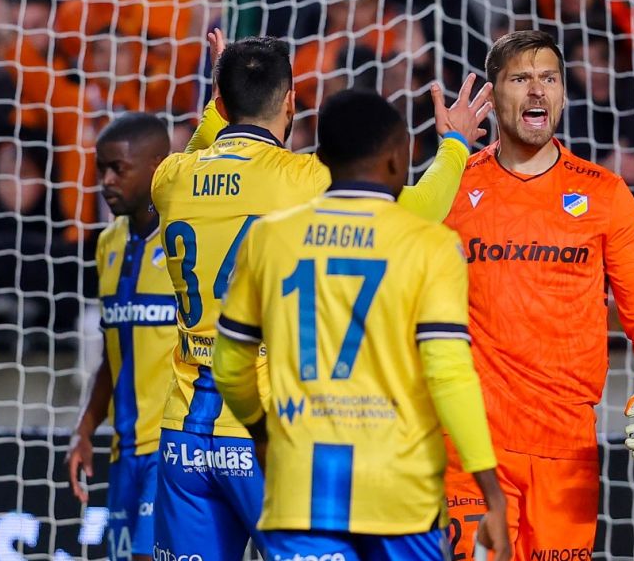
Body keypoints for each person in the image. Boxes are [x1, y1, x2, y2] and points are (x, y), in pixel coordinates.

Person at [150, 35, 492, 560]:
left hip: (184, 435)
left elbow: (201, 147)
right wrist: (455, 145)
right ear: (291, 100)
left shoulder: (170, 178)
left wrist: (220, 100)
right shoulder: (305, 179)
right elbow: (423, 208)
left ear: (219, 101)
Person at [442, 30, 634, 560]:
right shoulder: (452, 188)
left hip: (566, 454)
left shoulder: (605, 194)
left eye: (549, 79)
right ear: (492, 95)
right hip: (472, 448)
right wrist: (448, 155)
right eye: (521, 79)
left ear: (564, 94)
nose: (537, 91)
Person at [66, 113, 175, 561]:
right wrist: (85, 429)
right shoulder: (107, 243)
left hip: (172, 449)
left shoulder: (185, 242)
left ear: (157, 167)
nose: (106, 181)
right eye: (101, 169)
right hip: (123, 452)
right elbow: (114, 353)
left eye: (118, 169)